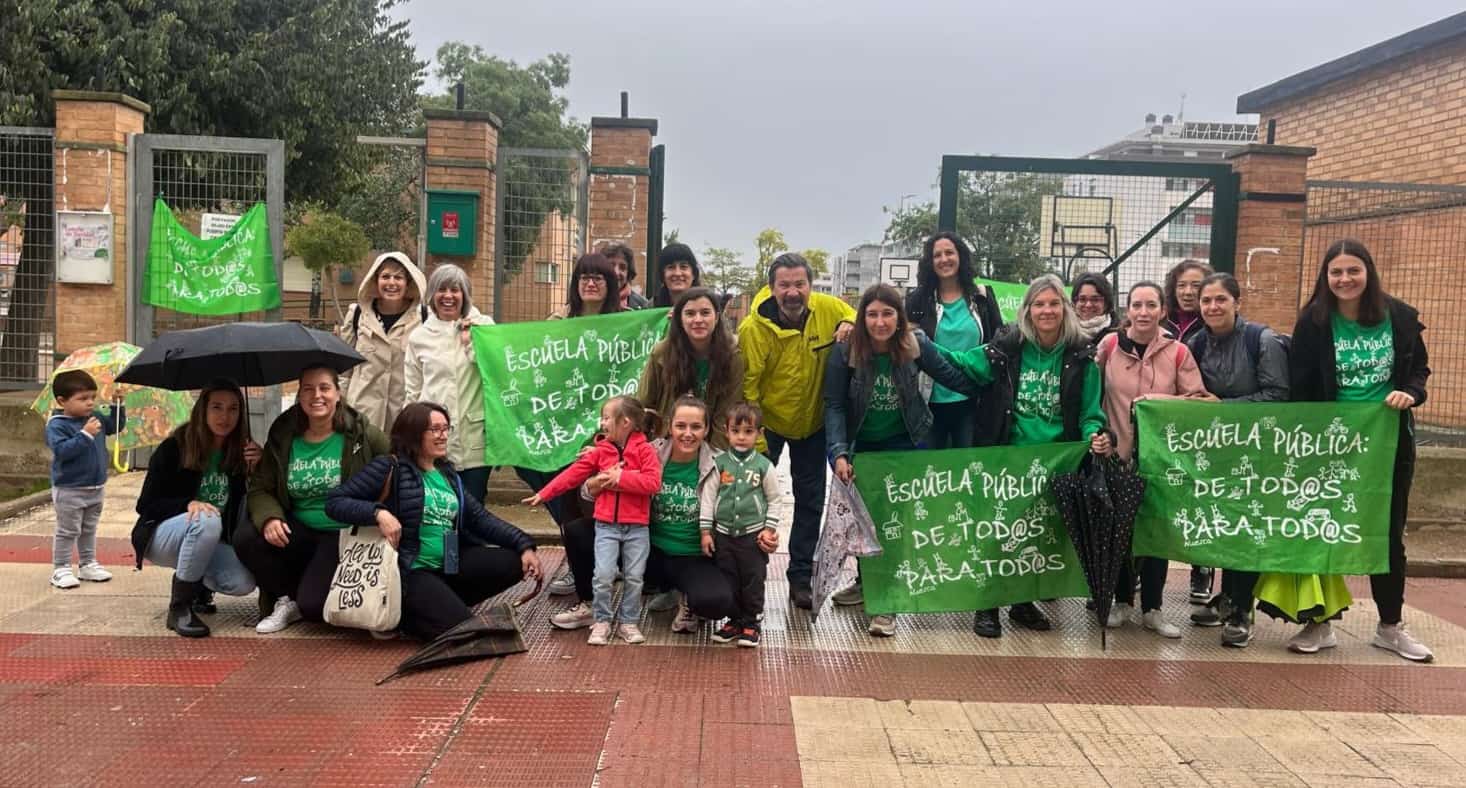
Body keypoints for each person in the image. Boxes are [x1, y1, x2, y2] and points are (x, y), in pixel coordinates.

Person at [1285, 239, 1432, 662]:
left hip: (1386, 443)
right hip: (1330, 444)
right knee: (1323, 526)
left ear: (1368, 272)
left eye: (1353, 271)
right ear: (1325, 278)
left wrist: (1410, 393)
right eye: (1336, 272)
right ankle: (1320, 621)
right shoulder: (1313, 323)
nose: (1345, 279)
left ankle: (1390, 626)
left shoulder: (1399, 317)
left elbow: (1419, 369)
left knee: (1387, 534)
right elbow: (1302, 385)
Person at [943, 275, 1111, 638]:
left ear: (1064, 310)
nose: (1046, 310)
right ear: (1028, 310)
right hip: (1007, 458)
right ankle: (986, 606)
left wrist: (1093, 438)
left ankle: (1021, 603)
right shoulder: (1009, 349)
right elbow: (962, 362)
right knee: (997, 533)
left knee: (1036, 536)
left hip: (1055, 462)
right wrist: (919, 345)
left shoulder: (1083, 358)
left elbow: (1090, 413)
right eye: (1039, 304)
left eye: (1053, 303)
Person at [824, 283, 976, 637]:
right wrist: (839, 452)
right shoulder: (845, 350)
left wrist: (991, 386)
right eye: (873, 314)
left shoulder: (914, 344)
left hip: (905, 441)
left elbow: (950, 375)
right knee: (862, 522)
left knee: (893, 524)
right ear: (862, 317)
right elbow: (834, 405)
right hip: (862, 443)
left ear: (899, 317)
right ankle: (866, 583)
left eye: (888, 313)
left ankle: (888, 601)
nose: (880, 322)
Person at [325, 403, 542, 640]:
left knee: (512, 562)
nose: (443, 436)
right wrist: (379, 514)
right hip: (410, 572)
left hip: (448, 565)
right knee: (463, 632)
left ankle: (442, 604)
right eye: (435, 429)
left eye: (446, 428)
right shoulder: (389, 466)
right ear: (414, 433)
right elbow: (335, 502)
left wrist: (524, 544)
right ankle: (404, 616)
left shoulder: (447, 474)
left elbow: (480, 519)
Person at [549, 397, 748, 635]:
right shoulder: (646, 451)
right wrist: (594, 483)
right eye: (680, 426)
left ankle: (685, 597)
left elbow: (739, 509)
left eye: (696, 427)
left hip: (692, 556)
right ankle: (590, 604)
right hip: (646, 546)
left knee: (714, 602)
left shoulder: (720, 464)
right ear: (670, 427)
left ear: (706, 430)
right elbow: (588, 493)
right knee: (579, 531)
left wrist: (764, 531)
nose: (687, 434)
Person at [738, 252, 855, 609]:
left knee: (810, 503)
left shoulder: (829, 308)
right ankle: (747, 574)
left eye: (800, 284)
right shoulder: (752, 329)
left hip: (813, 424)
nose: (793, 292)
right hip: (769, 423)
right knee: (750, 501)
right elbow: (748, 388)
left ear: (810, 286)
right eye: (784, 285)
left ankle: (800, 578)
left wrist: (850, 323)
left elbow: (856, 314)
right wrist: (755, 444)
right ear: (772, 288)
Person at [234, 366, 390, 634]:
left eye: (324, 388)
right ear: (299, 395)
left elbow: (395, 467)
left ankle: (308, 595)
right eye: (307, 389)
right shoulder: (284, 433)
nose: (316, 395)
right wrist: (271, 517)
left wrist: (379, 512)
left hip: (341, 533)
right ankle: (285, 597)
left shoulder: (362, 434)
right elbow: (261, 488)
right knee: (247, 536)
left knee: (315, 607)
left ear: (338, 394)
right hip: (298, 528)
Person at [1182, 273, 1289, 647]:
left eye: (1220, 300)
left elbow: (1278, 395)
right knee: (1222, 524)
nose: (1212, 307)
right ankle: (1226, 597)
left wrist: (1224, 407)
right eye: (1206, 300)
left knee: (1247, 527)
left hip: (1258, 454)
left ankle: (1242, 610)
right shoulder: (1194, 343)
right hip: (1215, 453)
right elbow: (1189, 394)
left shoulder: (1262, 340)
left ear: (1237, 302)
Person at [1098, 280, 1207, 638]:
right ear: (1127, 310)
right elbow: (1090, 393)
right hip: (1117, 457)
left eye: (1151, 306)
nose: (1143, 313)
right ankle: (1122, 601)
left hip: (1162, 462)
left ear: (1162, 310)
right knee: (1120, 532)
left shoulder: (1178, 353)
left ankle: (1154, 609)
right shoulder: (1109, 346)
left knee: (1157, 532)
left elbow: (1198, 400)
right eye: (1136, 306)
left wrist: (1159, 405)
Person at [525, 396, 663, 645]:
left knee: (634, 576)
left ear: (626, 422)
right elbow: (572, 475)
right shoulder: (601, 451)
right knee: (603, 574)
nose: (602, 422)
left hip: (637, 527)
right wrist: (544, 493)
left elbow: (653, 483)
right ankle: (601, 619)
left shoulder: (645, 451)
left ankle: (628, 622)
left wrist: (621, 479)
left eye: (607, 417)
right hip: (606, 525)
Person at [133, 380, 262, 637]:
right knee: (206, 519)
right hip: (162, 535)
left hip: (208, 538)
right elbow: (146, 505)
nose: (225, 416)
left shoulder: (239, 453)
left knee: (242, 582)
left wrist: (259, 468)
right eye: (217, 407)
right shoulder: (175, 448)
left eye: (233, 409)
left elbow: (248, 504)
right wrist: (186, 504)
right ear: (202, 410)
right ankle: (179, 607)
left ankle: (199, 588)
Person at [405, 263, 495, 505]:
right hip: (433, 442)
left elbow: (495, 372)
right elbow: (412, 393)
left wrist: (471, 343)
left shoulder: (484, 327)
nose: (448, 296)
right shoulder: (419, 337)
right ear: (432, 296)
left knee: (474, 509)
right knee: (439, 510)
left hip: (475, 439)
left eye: (455, 290)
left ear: (464, 294)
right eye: (441, 289)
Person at [904, 232, 1003, 450]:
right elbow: (907, 347)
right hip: (928, 403)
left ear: (961, 257)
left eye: (949, 252)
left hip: (973, 400)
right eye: (937, 255)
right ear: (930, 262)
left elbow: (999, 342)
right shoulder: (917, 300)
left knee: (968, 470)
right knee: (931, 473)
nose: (943, 259)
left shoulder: (982, 296)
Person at [701, 402, 782, 647]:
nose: (741, 437)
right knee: (729, 578)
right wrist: (706, 531)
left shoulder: (764, 466)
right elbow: (708, 496)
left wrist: (768, 528)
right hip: (724, 535)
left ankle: (752, 622)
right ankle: (734, 620)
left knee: (752, 579)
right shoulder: (719, 463)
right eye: (736, 431)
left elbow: (775, 498)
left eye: (748, 431)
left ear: (759, 433)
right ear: (727, 431)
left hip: (752, 536)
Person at [1162, 258, 1217, 601]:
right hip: (1163, 426)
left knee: (1200, 497)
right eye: (1182, 285)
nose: (1187, 292)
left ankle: (1202, 568)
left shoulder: (1212, 325)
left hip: (1201, 426)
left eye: (1196, 286)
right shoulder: (1159, 321)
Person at [44, 370, 125, 589]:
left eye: (92, 397)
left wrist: (118, 406)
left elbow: (114, 427)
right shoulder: (57, 424)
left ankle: (87, 563)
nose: (90, 403)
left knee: (89, 528)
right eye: (82, 399)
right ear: (62, 400)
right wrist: (85, 434)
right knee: (68, 529)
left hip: (96, 486)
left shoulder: (95, 417)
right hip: (70, 488)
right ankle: (60, 568)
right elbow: (62, 451)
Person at [637, 287, 744, 449]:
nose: (698, 319)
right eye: (690, 314)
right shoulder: (662, 353)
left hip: (712, 442)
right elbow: (644, 402)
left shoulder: (732, 355)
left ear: (716, 317)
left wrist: (713, 457)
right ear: (680, 319)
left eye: (705, 312)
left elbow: (727, 412)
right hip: (666, 441)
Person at [339, 251, 428, 434]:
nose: (392, 283)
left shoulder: (425, 318)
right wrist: (341, 409)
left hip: (405, 418)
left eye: (398, 277)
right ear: (375, 280)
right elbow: (343, 370)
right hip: (362, 417)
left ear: (408, 282)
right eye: (385, 276)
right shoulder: (357, 315)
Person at [550, 253, 621, 319]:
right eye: (584, 278)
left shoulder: (625, 319)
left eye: (597, 278)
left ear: (609, 284)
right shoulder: (559, 319)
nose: (590, 284)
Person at [599, 241, 651, 309]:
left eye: (622, 267)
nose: (616, 272)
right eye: (611, 265)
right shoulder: (587, 301)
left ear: (628, 273)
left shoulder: (643, 306)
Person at [1071, 272, 1119, 346]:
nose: (1088, 305)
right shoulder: (1064, 333)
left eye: (1095, 299)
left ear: (1106, 303)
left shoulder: (1119, 336)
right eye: (1082, 299)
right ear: (1074, 302)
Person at [651, 243, 703, 307]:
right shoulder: (650, 307)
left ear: (694, 274)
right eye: (671, 267)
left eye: (683, 267)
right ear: (663, 275)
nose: (677, 273)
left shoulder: (708, 304)